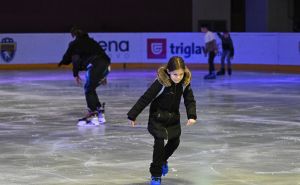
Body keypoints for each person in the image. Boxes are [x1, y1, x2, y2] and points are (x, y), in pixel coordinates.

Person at [127, 56, 197, 185]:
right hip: (157, 118)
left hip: (173, 118)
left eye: (181, 74)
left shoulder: (184, 83)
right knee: (159, 143)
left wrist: (191, 115)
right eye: (175, 74)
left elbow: (189, 100)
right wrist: (133, 114)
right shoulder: (160, 83)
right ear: (168, 71)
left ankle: (163, 160)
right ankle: (156, 175)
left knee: (175, 141)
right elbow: (146, 98)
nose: (178, 77)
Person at [58, 26, 111, 126]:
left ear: (74, 35)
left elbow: (73, 59)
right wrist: (104, 74)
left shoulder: (74, 44)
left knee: (88, 89)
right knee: (91, 87)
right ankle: (100, 113)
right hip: (106, 65)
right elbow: (104, 56)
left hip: (96, 65)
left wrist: (75, 74)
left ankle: (93, 115)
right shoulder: (92, 42)